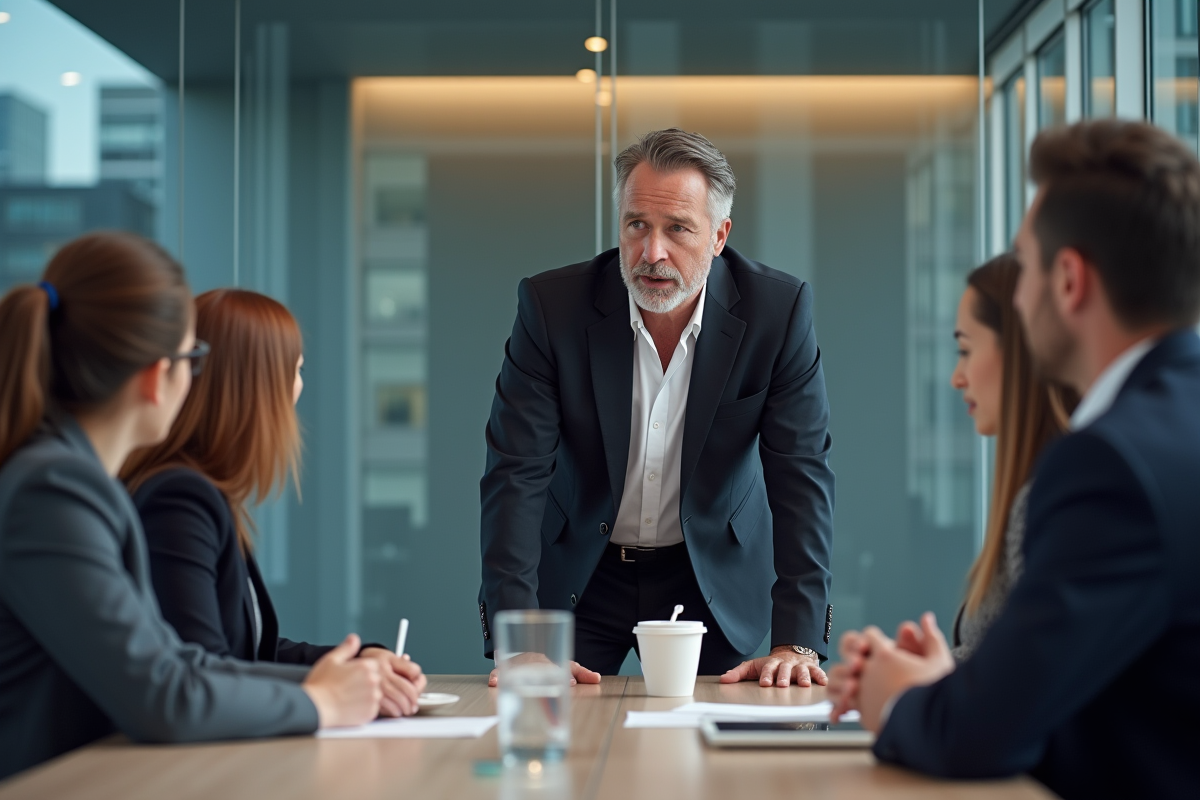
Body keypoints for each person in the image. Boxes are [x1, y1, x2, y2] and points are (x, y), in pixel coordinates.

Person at [829, 119, 1200, 799]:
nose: (1017, 291)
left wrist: (899, 699)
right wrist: (956, 687)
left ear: (1069, 280)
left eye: (1023, 264)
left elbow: (978, 737)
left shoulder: (1109, 467)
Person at [0, 233, 382, 780]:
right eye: (192, 357)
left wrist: (330, 682)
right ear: (160, 376)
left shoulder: (74, 482)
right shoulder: (54, 490)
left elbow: (178, 664)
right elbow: (161, 693)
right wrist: (322, 704)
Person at [479, 128, 835, 687]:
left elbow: (801, 476)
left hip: (709, 575)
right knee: (550, 743)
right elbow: (515, 473)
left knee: (716, 754)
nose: (652, 253)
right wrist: (519, 641)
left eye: (677, 229)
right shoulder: (553, 309)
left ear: (719, 235)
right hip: (583, 571)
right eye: (637, 225)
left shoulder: (777, 312)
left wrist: (798, 641)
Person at [121, 289, 427, 718]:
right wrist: (329, 693)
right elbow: (203, 672)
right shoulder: (179, 501)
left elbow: (248, 654)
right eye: (297, 370)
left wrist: (358, 665)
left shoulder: (202, 494)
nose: (300, 389)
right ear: (259, 386)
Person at [948, 255, 1073, 660]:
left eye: (965, 350)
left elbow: (1031, 676)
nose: (957, 377)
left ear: (1019, 352)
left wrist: (923, 679)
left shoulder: (1053, 501)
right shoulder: (1042, 488)